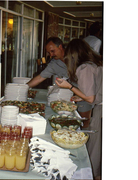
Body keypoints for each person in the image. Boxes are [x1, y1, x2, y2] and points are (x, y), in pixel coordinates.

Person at [55, 39, 103, 180]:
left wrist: (69, 86)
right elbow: (95, 91)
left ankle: (93, 176)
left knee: (94, 149)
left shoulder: (84, 68)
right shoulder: (95, 63)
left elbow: (90, 98)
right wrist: (80, 97)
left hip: (101, 111)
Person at [27, 37, 93, 127]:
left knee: (83, 123)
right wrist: (24, 88)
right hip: (72, 95)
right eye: (49, 52)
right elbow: (39, 78)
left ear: (60, 47)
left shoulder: (77, 57)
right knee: (70, 123)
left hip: (87, 93)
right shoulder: (54, 63)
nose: (51, 54)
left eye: (52, 51)